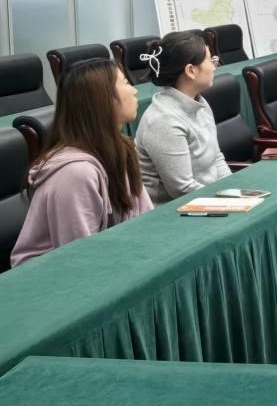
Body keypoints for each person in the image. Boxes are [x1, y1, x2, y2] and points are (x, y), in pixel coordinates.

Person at [10, 59, 153, 267]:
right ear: (103, 99)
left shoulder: (120, 148)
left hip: (109, 261)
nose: (135, 90)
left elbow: (145, 220)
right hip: (49, 278)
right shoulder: (75, 173)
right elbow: (81, 260)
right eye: (125, 83)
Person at [134, 30, 231, 203]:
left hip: (209, 199)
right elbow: (182, 189)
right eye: (210, 60)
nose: (214, 66)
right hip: (175, 210)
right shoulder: (163, 120)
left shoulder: (200, 103)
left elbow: (217, 158)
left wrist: (233, 191)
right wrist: (227, 202)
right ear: (191, 70)